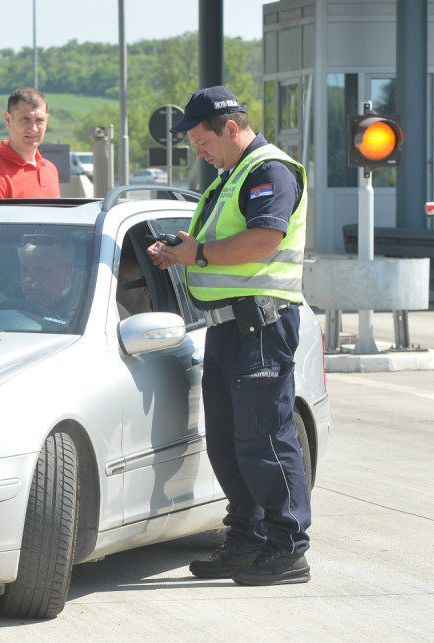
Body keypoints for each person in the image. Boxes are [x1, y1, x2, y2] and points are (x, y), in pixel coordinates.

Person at [146, 86, 311, 586]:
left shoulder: (269, 171)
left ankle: (288, 549)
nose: (198, 150)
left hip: (259, 324)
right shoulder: (228, 177)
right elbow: (215, 242)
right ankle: (247, 539)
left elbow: (263, 239)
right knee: (227, 443)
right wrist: (181, 249)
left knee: (263, 440)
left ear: (232, 129)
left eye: (202, 141)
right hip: (226, 329)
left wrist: (194, 255)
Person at [0, 88, 60, 199]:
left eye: (39, 120)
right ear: (8, 119)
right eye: (25, 119)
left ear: (46, 121)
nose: (33, 129)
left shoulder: (50, 170)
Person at [16, 234, 80, 323]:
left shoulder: (86, 312)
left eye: (41, 270)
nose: (29, 278)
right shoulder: (8, 302)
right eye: (25, 269)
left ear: (67, 272)